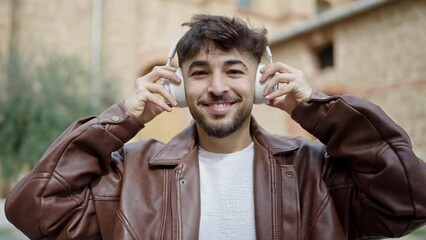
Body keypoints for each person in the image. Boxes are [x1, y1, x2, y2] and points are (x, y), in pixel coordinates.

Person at [5, 14, 426, 240]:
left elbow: (408, 201)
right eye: (201, 72)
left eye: (234, 70)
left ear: (260, 84)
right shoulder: (132, 175)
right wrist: (122, 119)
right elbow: (34, 212)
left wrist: (317, 108)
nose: (218, 87)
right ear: (180, 86)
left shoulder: (312, 173)